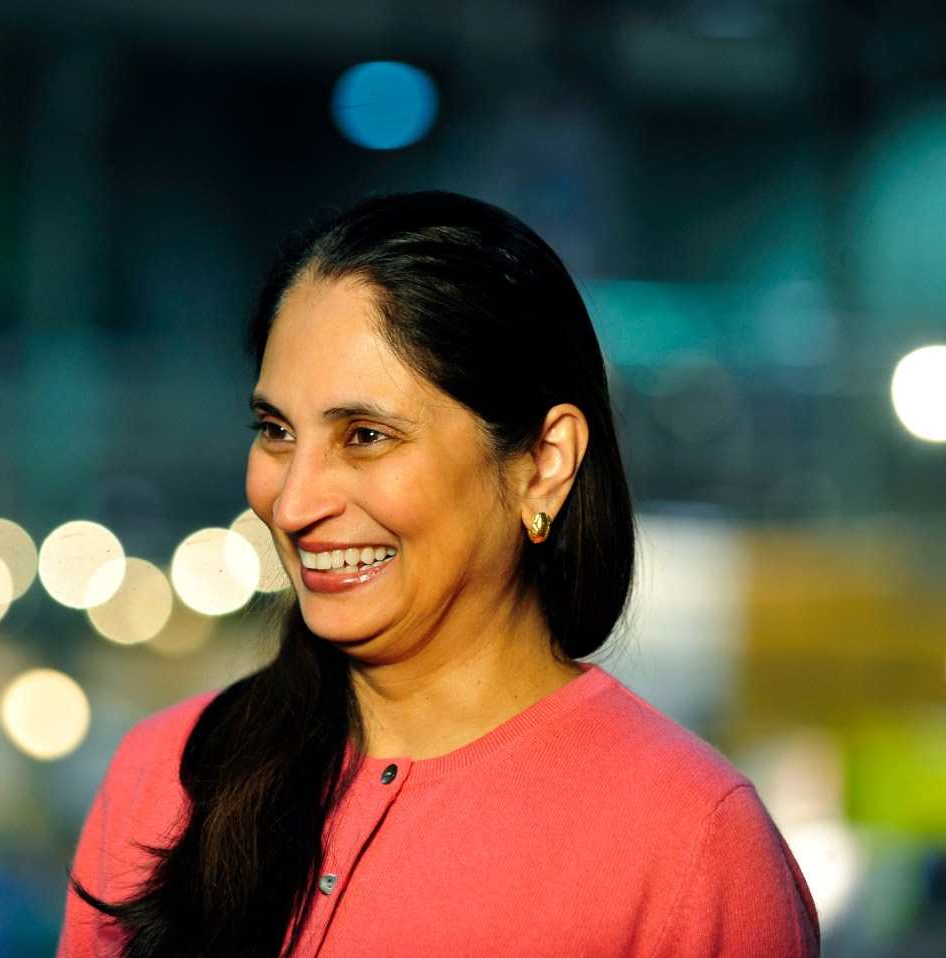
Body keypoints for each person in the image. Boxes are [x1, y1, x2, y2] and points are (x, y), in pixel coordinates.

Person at [59, 191, 820, 957]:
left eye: (365, 435)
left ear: (544, 463)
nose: (291, 504)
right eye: (275, 431)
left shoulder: (692, 845)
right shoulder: (167, 779)